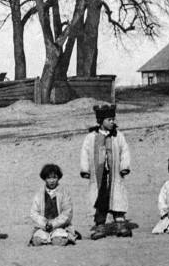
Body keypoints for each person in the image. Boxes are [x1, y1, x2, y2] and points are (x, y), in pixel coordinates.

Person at [80, 104, 132, 239]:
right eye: (109, 119)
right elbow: (85, 153)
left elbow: (124, 151)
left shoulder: (118, 136)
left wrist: (124, 166)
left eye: (113, 119)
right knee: (100, 199)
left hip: (114, 175)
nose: (112, 122)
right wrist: (85, 169)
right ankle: (100, 227)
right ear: (101, 121)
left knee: (117, 197)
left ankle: (120, 225)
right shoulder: (91, 137)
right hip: (99, 176)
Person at [29, 164, 75, 247]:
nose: (52, 181)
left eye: (54, 177)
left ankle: (68, 237)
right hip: (44, 227)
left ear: (58, 178)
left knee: (57, 241)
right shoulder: (39, 194)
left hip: (60, 226)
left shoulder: (64, 194)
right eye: (49, 178)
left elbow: (67, 213)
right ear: (44, 179)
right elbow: (34, 213)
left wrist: (54, 224)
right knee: (37, 242)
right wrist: (45, 223)